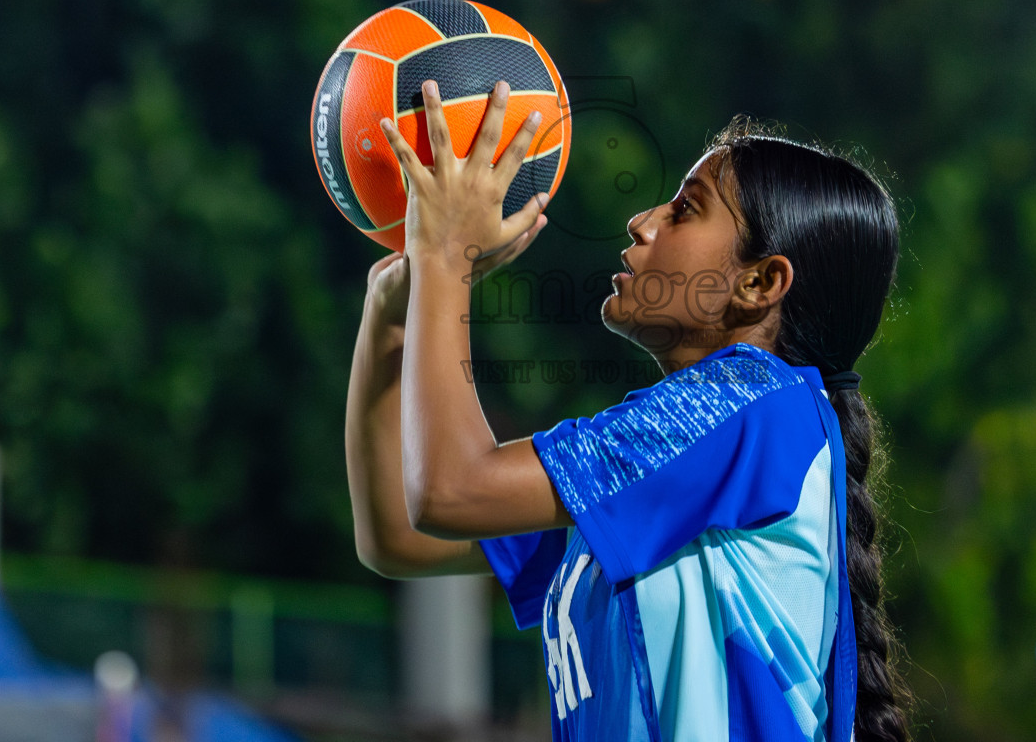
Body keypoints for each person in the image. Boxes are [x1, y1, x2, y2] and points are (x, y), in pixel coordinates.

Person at [348, 77, 911, 741]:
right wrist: (390, 319)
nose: (642, 221)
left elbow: (449, 490)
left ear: (760, 283)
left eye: (685, 209)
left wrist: (445, 256)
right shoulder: (688, 458)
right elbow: (402, 534)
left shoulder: (755, 412)